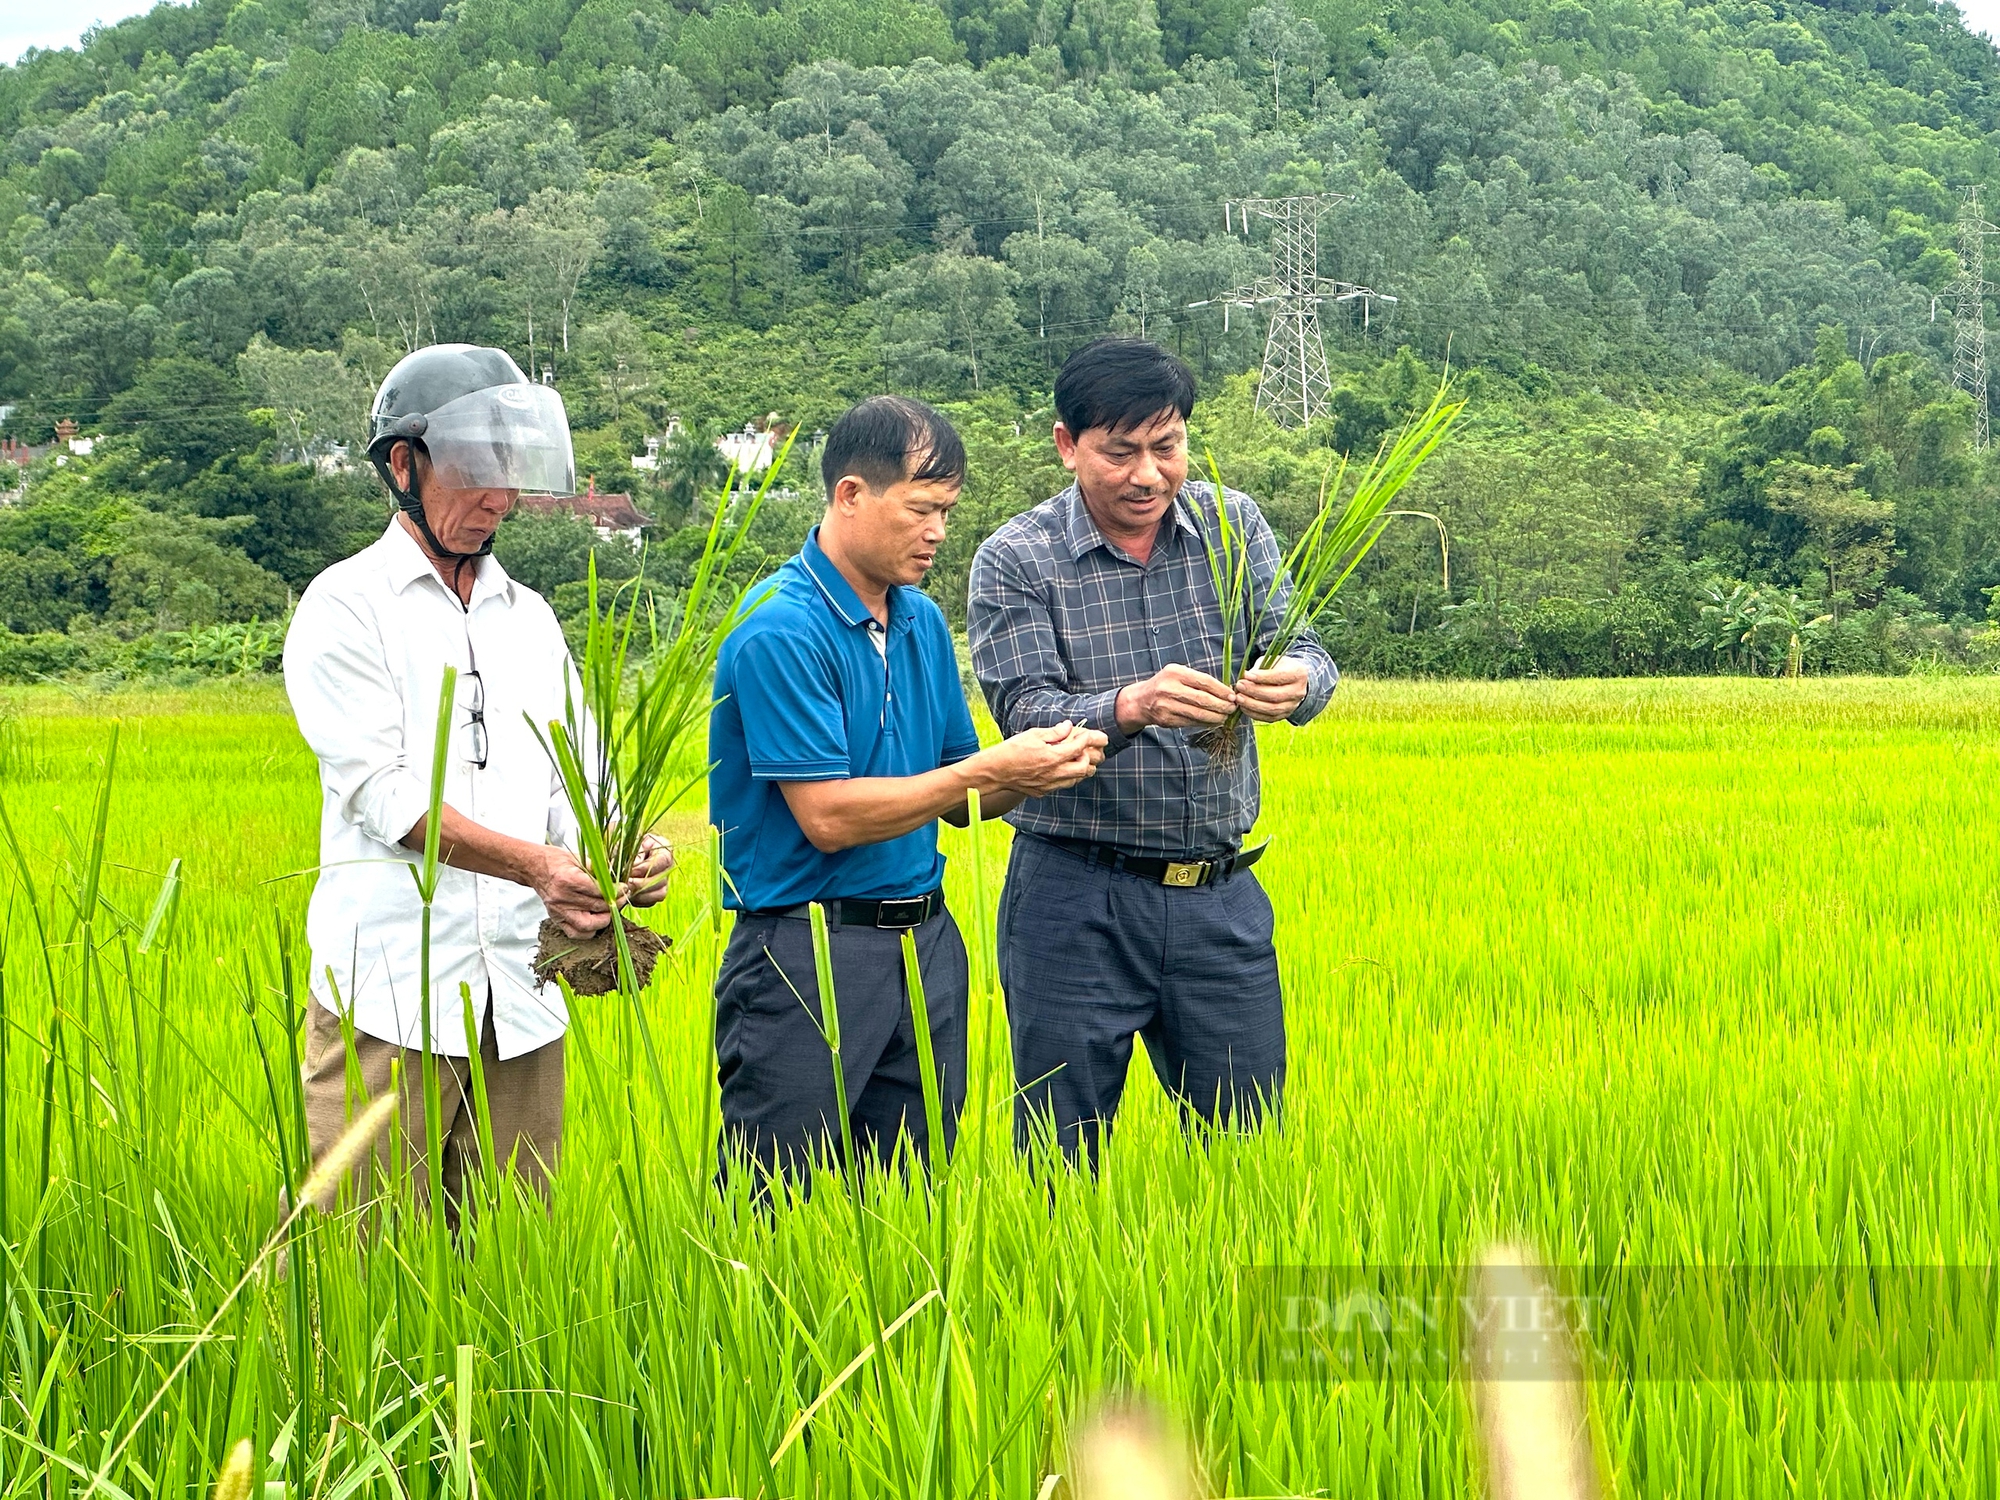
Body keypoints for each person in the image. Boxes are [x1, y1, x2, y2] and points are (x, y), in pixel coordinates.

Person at [284, 343, 671, 1217]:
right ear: (403, 465)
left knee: (515, 1261)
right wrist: (538, 867)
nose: (497, 497)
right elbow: (386, 795)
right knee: (364, 1261)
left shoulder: (527, 618)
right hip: (390, 996)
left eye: (507, 472)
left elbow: (583, 780)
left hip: (521, 996)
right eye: (472, 470)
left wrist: (624, 850)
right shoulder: (346, 607)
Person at [708, 395, 1107, 1187]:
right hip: (806, 950)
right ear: (851, 495)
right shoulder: (781, 629)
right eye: (923, 509)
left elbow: (962, 795)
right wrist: (987, 772)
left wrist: (1049, 761)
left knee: (909, 1200)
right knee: (776, 1205)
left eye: (948, 512)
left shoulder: (920, 621)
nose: (938, 533)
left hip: (924, 945)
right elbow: (827, 816)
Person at [966, 337, 1338, 1167]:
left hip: (1217, 895)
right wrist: (1131, 706)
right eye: (1119, 451)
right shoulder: (1017, 559)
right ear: (1068, 445)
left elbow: (1304, 647)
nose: (1147, 475)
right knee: (1059, 1161)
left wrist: (1297, 682)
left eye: (1165, 448)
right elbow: (1025, 717)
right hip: (1075, 897)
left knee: (1249, 1156)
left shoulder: (1229, 524)